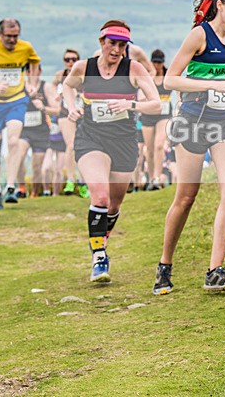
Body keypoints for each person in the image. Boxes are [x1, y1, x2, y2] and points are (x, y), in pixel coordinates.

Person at [153, 0, 225, 295]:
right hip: (193, 120)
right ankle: (165, 264)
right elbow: (171, 80)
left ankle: (215, 271)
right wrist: (209, 86)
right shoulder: (199, 36)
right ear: (220, 5)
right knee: (186, 197)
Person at [63, 20, 160, 283]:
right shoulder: (85, 67)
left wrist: (130, 105)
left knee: (115, 204)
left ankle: (101, 240)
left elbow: (156, 105)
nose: (116, 50)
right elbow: (68, 86)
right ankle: (99, 256)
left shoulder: (134, 68)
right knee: (101, 197)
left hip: (124, 142)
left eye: (121, 45)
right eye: (111, 44)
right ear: (101, 42)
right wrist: (71, 107)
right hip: (91, 138)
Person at [0, 18, 40, 206]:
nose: (12, 40)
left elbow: (34, 64)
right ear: (0, 34)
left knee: (14, 140)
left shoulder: (26, 47)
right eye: (8, 36)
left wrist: (31, 84)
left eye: (16, 36)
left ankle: (11, 186)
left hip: (16, 100)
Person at [18, 76, 59, 197]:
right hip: (23, 130)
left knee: (37, 165)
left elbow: (57, 110)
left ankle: (35, 193)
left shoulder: (45, 87)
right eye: (28, 70)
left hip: (41, 131)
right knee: (18, 157)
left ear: (39, 71)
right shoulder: (19, 87)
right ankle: (21, 188)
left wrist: (43, 107)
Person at [54, 49, 87, 198]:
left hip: (81, 113)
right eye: (67, 60)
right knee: (71, 145)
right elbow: (52, 88)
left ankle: (83, 181)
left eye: (74, 59)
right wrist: (57, 96)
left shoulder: (83, 74)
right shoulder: (59, 76)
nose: (70, 62)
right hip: (65, 114)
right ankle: (71, 180)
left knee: (83, 147)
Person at [141, 49, 172, 190]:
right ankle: (151, 176)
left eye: (159, 63)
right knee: (149, 148)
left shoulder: (168, 76)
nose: (157, 65)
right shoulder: (147, 77)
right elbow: (140, 94)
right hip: (148, 114)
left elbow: (177, 88)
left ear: (163, 63)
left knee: (159, 145)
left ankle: (157, 178)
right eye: (154, 62)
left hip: (164, 114)